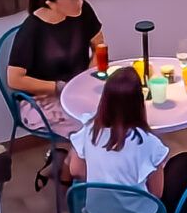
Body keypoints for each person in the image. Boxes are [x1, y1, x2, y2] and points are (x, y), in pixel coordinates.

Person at [4, 0, 102, 144]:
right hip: (42, 99)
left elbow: (100, 47)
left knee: (117, 114)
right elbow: (14, 79)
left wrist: (86, 81)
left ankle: (64, 164)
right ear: (51, 3)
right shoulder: (32, 29)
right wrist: (59, 88)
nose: (78, 0)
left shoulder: (83, 10)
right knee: (92, 131)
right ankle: (73, 166)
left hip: (78, 90)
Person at [66, 64, 169, 193]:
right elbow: (156, 194)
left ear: (105, 99)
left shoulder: (90, 129)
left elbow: (76, 170)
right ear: (139, 101)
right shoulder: (150, 143)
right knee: (183, 165)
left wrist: (104, 180)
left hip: (96, 211)